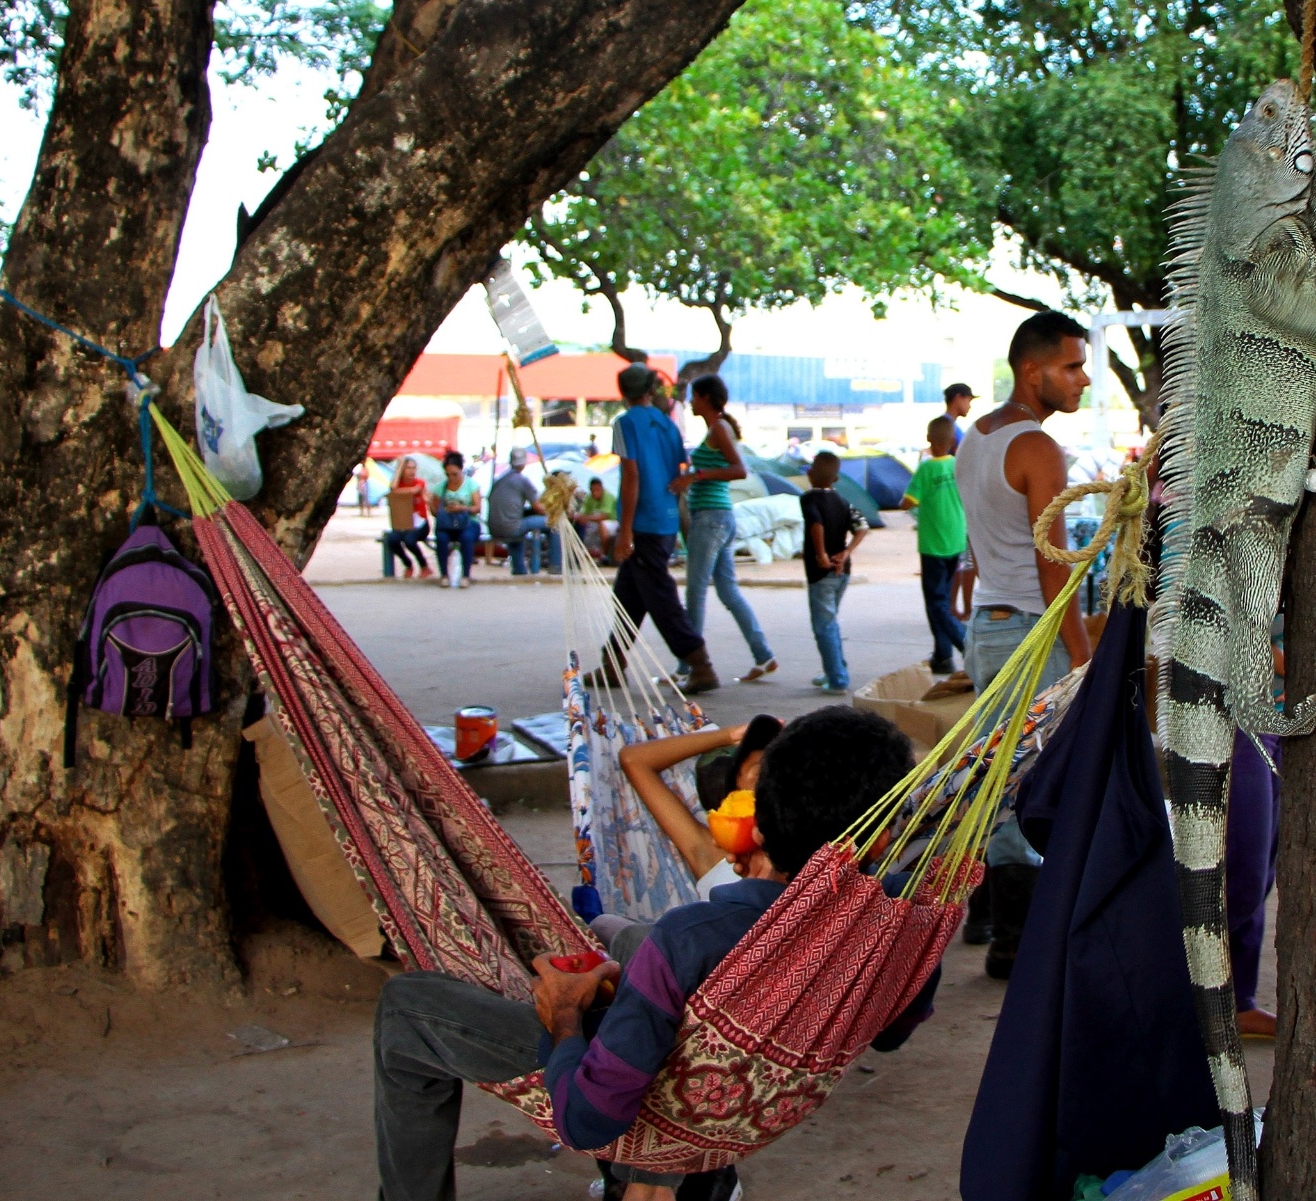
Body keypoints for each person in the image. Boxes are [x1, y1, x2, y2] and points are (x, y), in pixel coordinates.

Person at [370, 706, 932, 1201]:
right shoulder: (906, 928)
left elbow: (587, 1118)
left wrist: (563, 1016)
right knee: (616, 940)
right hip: (749, 1110)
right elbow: (890, 1034)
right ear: (882, 837)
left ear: (755, 825)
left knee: (406, 1005)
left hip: (655, 1113)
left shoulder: (692, 935)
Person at [952, 310, 1094, 978]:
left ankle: (984, 910)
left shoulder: (973, 438)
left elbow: (987, 549)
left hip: (987, 627)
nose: (1084, 379)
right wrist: (1084, 651)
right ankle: (1015, 938)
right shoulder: (1037, 446)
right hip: (1031, 633)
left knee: (996, 774)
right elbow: (1053, 562)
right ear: (1032, 370)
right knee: (1032, 783)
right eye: (1071, 365)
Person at [603, 713, 786, 963]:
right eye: (758, 774)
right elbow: (634, 759)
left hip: (770, 966)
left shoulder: (804, 848)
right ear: (731, 799)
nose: (770, 782)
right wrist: (731, 734)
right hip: (711, 971)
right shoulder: (710, 850)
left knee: (627, 934)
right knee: (607, 926)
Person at [609, 364, 719, 692]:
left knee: (660, 596)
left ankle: (700, 664)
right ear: (650, 389)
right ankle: (612, 661)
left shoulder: (624, 423)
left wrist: (625, 529)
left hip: (643, 521)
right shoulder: (668, 426)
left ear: (623, 392)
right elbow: (676, 472)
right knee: (628, 593)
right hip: (666, 518)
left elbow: (632, 476)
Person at [670, 375, 778, 684]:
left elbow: (739, 470)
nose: (690, 401)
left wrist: (696, 476)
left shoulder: (719, 428)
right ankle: (763, 654)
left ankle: (689, 666)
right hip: (719, 518)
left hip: (711, 519)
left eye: (694, 396)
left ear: (706, 397)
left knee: (696, 592)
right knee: (728, 591)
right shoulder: (718, 428)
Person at [901, 414, 968, 675]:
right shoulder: (958, 465)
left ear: (928, 439)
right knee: (944, 596)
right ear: (953, 441)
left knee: (936, 603)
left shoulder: (926, 468)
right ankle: (942, 655)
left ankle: (965, 644)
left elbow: (907, 501)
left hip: (933, 544)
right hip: (955, 540)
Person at [800, 451, 867, 694]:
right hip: (843, 570)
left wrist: (821, 555)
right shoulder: (842, 501)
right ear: (837, 478)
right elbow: (862, 526)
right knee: (831, 622)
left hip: (822, 572)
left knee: (824, 626)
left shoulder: (808, 499)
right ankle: (834, 668)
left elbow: (815, 524)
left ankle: (837, 678)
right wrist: (846, 552)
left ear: (810, 473)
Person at [487, 449, 561, 577]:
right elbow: (538, 507)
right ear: (524, 462)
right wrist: (555, 513)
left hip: (494, 527)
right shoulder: (522, 480)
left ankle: (519, 569)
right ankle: (556, 566)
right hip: (512, 526)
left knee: (517, 529)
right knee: (554, 524)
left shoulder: (500, 479)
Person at [426, 450, 481, 588]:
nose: (452, 478)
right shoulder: (441, 488)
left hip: (468, 521)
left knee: (466, 538)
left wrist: (463, 508)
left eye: (454, 474)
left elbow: (477, 508)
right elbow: (435, 512)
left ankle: (466, 575)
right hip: (447, 523)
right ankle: (444, 574)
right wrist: (431, 503)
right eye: (448, 475)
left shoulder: (471, 485)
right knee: (441, 538)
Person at [384, 457, 433, 580]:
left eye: (413, 468)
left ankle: (424, 566)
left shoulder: (419, 482)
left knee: (410, 540)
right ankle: (408, 564)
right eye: (408, 468)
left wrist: (398, 492)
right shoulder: (398, 483)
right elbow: (393, 488)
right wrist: (399, 467)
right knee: (392, 539)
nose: (411, 471)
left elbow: (413, 490)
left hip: (420, 524)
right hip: (403, 523)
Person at [571, 475, 618, 558]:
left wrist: (586, 518)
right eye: (592, 490)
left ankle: (604, 554)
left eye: (597, 490)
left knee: (602, 524)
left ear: (601, 488)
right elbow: (584, 513)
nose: (595, 493)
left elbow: (604, 516)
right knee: (582, 525)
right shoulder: (589, 498)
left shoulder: (608, 496)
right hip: (595, 523)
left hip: (613, 522)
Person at [943, 382, 976, 451]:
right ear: (958, 398)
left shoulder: (951, 425)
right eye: (969, 400)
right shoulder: (946, 427)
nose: (969, 406)